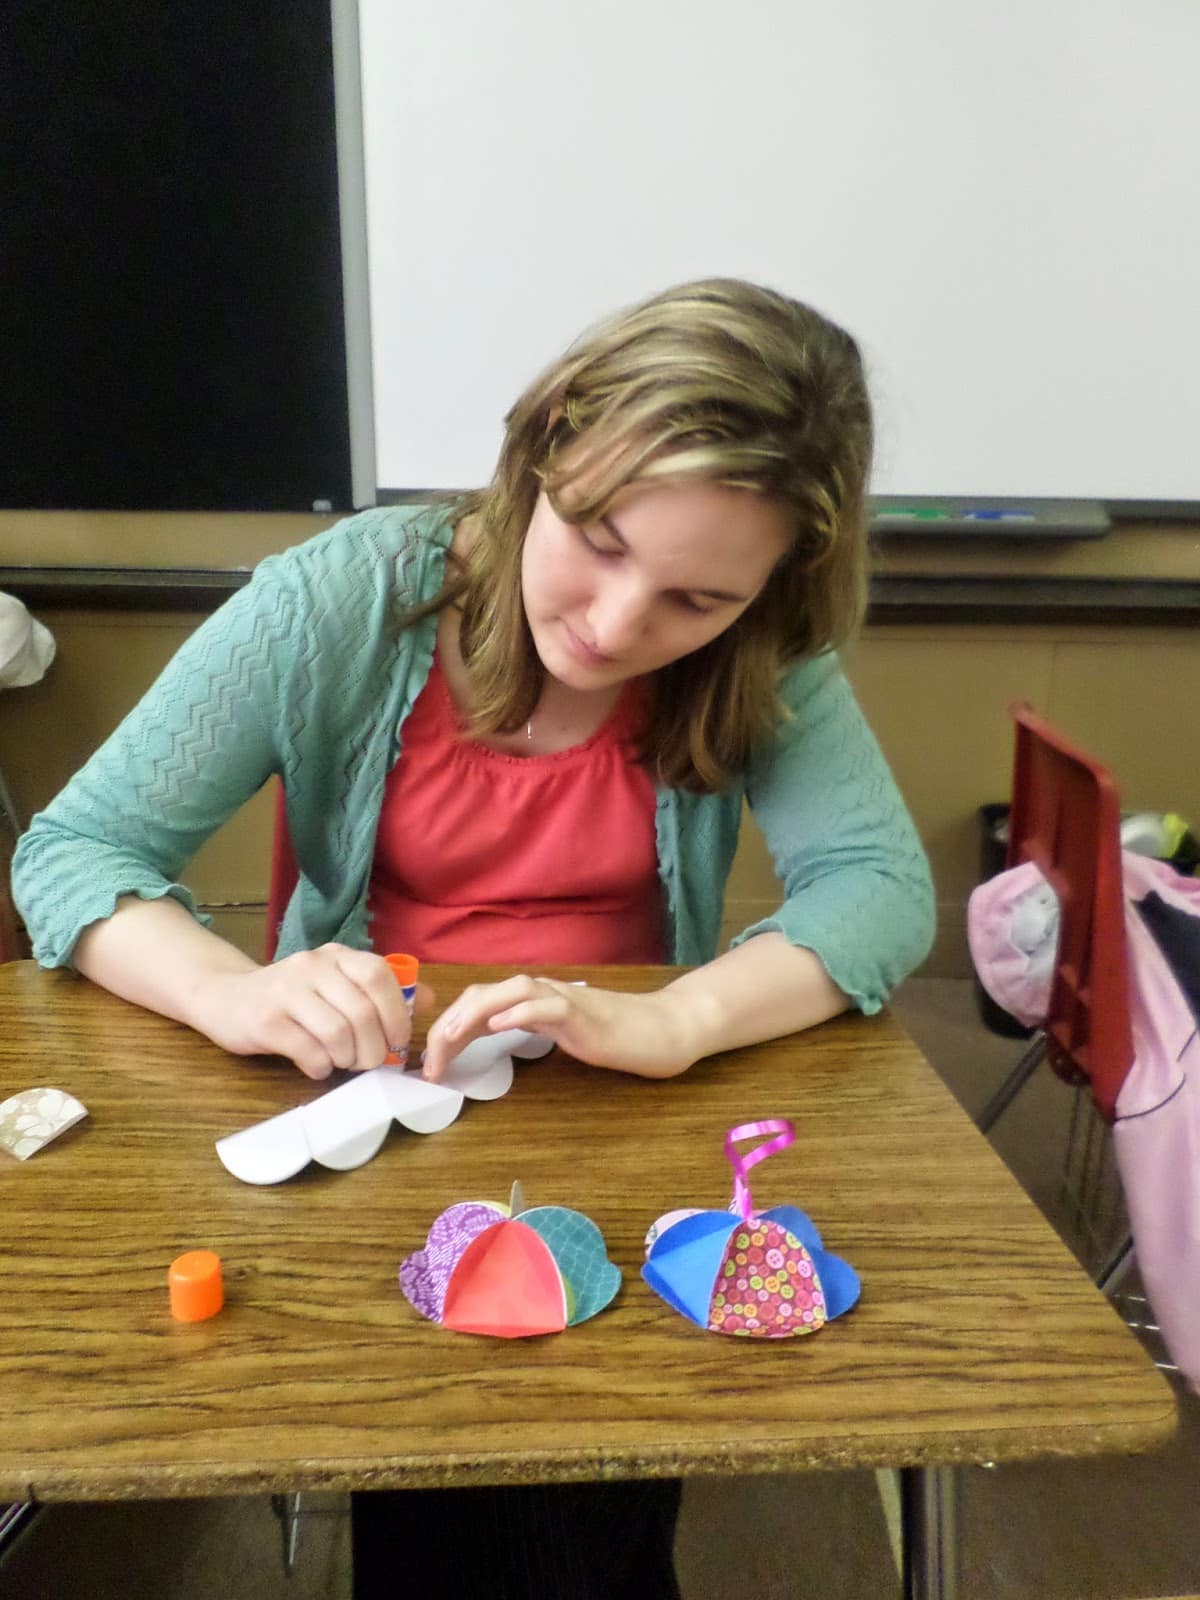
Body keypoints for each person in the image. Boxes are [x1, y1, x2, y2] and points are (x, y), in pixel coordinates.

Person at [12, 277, 934, 1598]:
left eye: (695, 602)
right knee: (442, 1474)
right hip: (368, 1110)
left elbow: (880, 892)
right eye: (600, 540)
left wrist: (672, 1021)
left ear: (766, 592)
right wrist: (234, 992)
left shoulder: (769, 647)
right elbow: (74, 851)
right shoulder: (337, 599)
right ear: (541, 449)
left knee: (580, 1498)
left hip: (614, 1127)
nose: (615, 629)